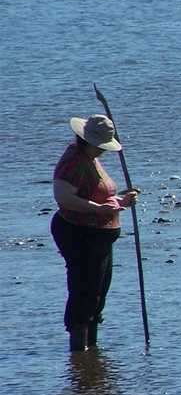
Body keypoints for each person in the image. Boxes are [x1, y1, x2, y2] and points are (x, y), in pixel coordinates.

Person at [51, 114, 138, 351]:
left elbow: (97, 194)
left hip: (100, 234)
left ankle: (90, 359)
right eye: (99, 145)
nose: (103, 150)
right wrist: (99, 209)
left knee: (98, 292)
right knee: (85, 292)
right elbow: (64, 197)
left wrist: (121, 201)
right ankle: (80, 351)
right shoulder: (73, 161)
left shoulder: (91, 159)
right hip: (79, 233)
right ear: (86, 140)